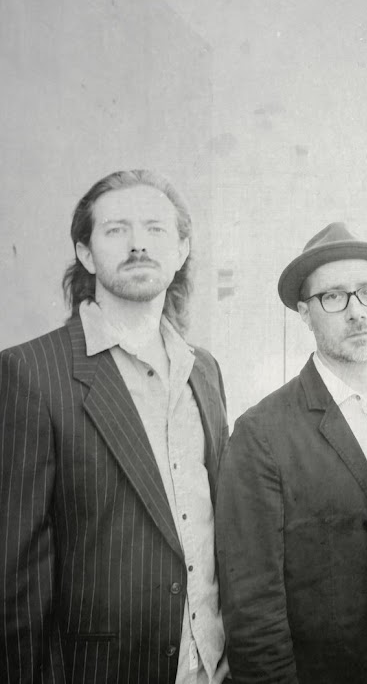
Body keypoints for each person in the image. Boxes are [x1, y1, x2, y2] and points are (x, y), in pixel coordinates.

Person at [1, 170, 229, 684]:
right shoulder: (29, 372)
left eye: (155, 229)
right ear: (85, 254)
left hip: (210, 666)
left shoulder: (204, 370)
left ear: (181, 250)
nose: (137, 244)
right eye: (116, 230)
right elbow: (14, 575)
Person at [216, 222, 367, 683]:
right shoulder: (262, 434)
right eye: (334, 297)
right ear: (305, 313)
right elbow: (253, 609)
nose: (356, 312)